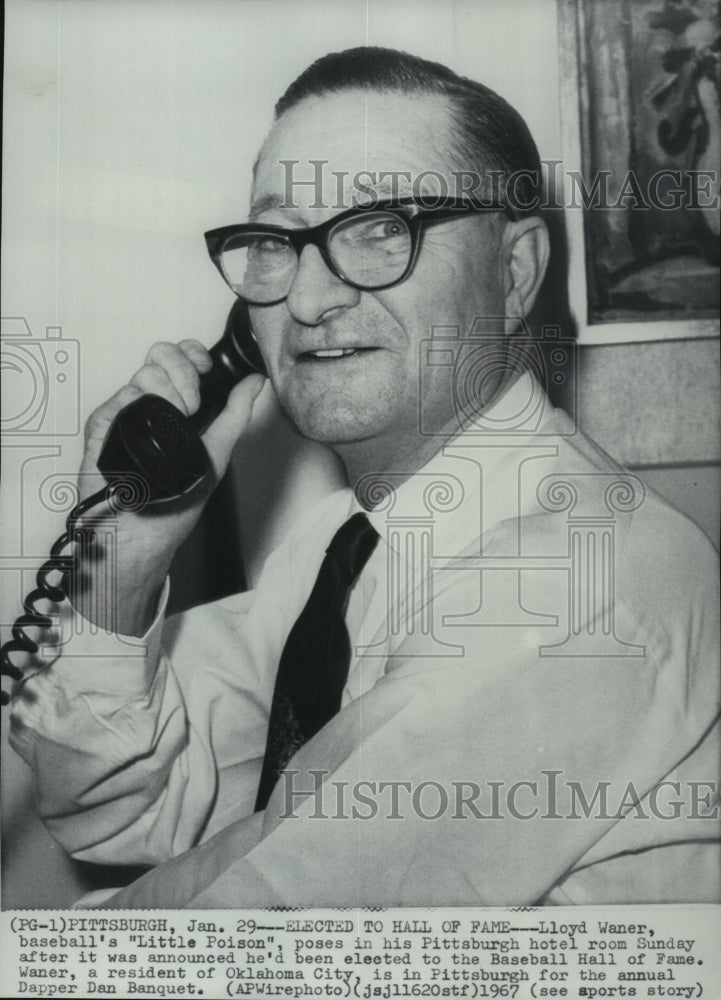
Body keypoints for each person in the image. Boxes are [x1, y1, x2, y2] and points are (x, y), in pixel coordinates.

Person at [8, 47, 720, 908]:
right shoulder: (334, 549)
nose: (307, 300)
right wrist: (121, 556)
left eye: (383, 226)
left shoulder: (578, 581)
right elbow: (113, 811)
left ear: (515, 271)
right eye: (275, 242)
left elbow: (259, 923)